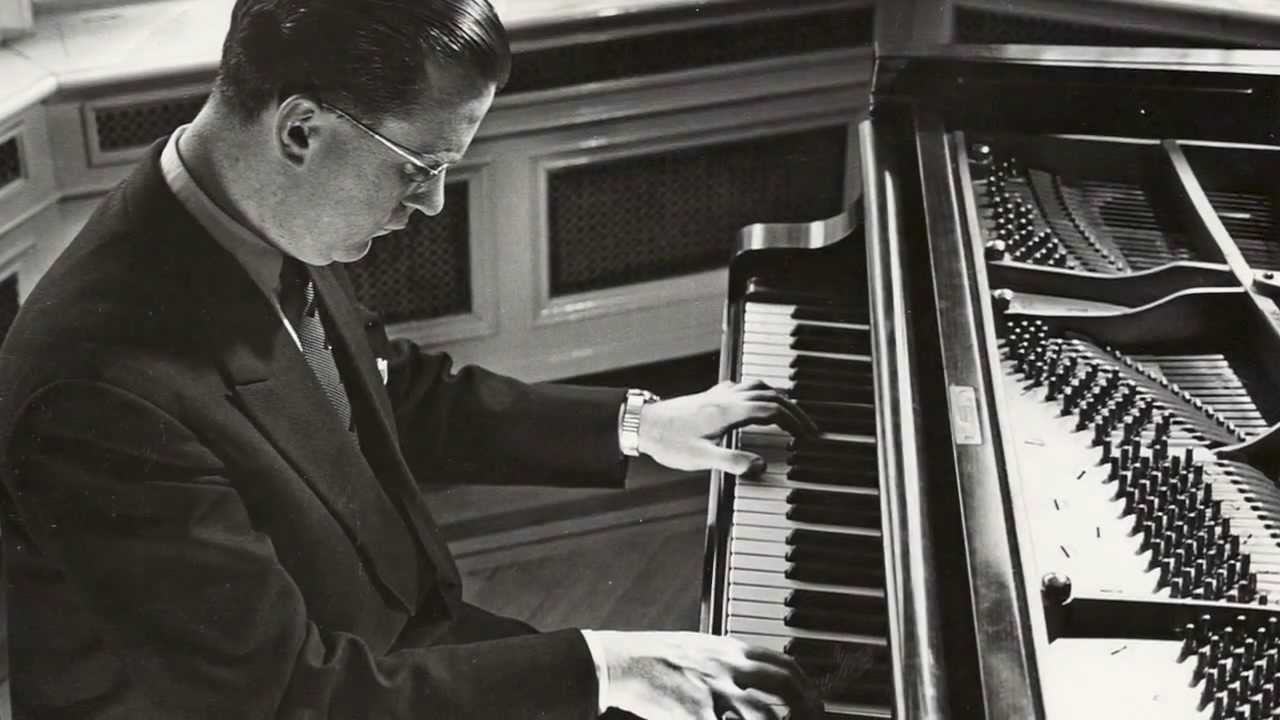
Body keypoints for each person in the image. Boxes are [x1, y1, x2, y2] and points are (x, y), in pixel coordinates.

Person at [0, 0, 828, 718]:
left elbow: (379, 392)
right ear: (300, 130)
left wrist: (642, 424)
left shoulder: (251, 211)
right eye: (422, 168)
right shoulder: (97, 392)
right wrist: (606, 666)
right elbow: (285, 700)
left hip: (375, 654)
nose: (431, 204)